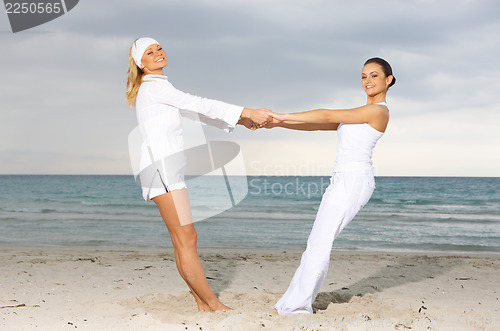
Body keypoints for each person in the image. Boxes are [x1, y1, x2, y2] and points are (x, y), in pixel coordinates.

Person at [125, 37, 270, 312]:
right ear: (139, 64)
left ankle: (202, 304)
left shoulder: (159, 87)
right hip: (162, 170)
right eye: (149, 52)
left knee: (183, 241)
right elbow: (197, 102)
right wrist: (247, 111)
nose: (157, 53)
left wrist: (242, 120)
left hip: (163, 170)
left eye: (159, 47)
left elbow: (195, 112)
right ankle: (213, 304)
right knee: (187, 239)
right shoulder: (153, 87)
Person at [265, 57, 395, 315]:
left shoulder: (379, 111)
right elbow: (317, 125)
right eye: (363, 76)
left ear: (388, 80)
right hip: (342, 179)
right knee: (316, 242)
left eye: (374, 76)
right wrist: (277, 123)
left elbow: (325, 113)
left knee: (320, 243)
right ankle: (293, 302)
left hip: (354, 180)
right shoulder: (359, 112)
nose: (367, 81)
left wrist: (281, 114)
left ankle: (298, 306)